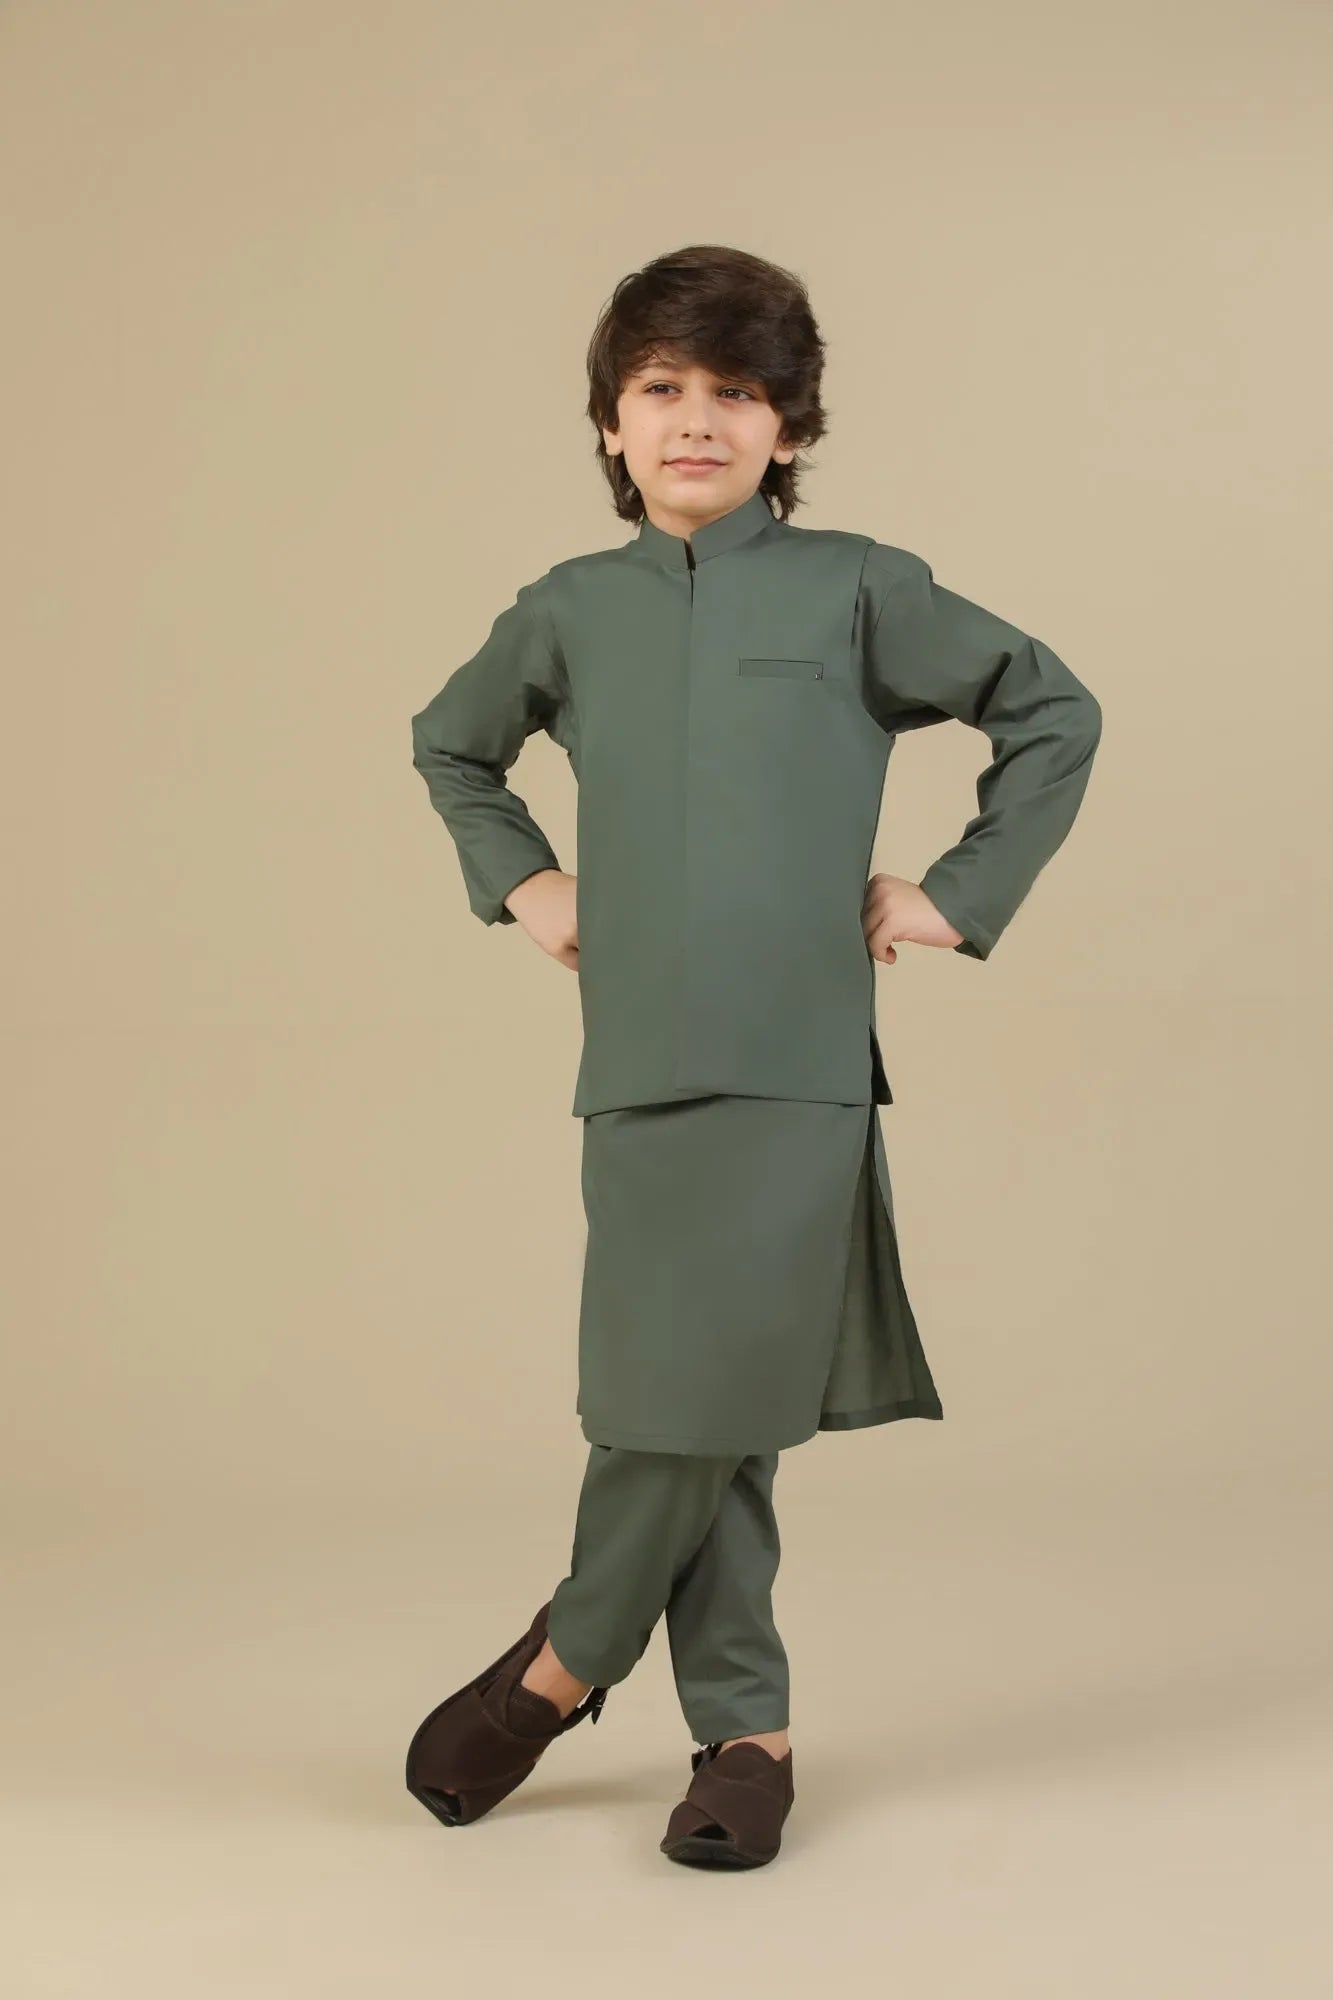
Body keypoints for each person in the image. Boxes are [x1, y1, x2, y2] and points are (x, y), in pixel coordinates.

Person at [402, 243, 1103, 1870]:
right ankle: (745, 1731)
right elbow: (452, 746)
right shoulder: (568, 609)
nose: (696, 420)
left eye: (736, 392)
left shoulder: (858, 585)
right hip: (635, 1061)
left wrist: (957, 895)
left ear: (789, 427)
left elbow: (1051, 711)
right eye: (661, 388)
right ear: (610, 421)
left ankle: (566, 1661)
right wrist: (524, 880)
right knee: (681, 1395)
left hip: (797, 1062)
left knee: (705, 1389)